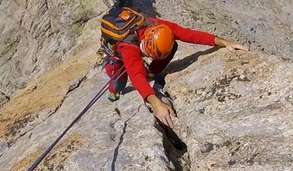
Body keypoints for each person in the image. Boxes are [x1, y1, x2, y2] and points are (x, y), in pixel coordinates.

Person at [104, 16, 249, 128]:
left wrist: (223, 41)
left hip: (136, 41)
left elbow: (188, 34)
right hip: (118, 50)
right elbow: (136, 76)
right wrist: (156, 103)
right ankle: (113, 91)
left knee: (171, 46)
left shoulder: (159, 27)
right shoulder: (129, 48)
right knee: (119, 76)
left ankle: (152, 73)